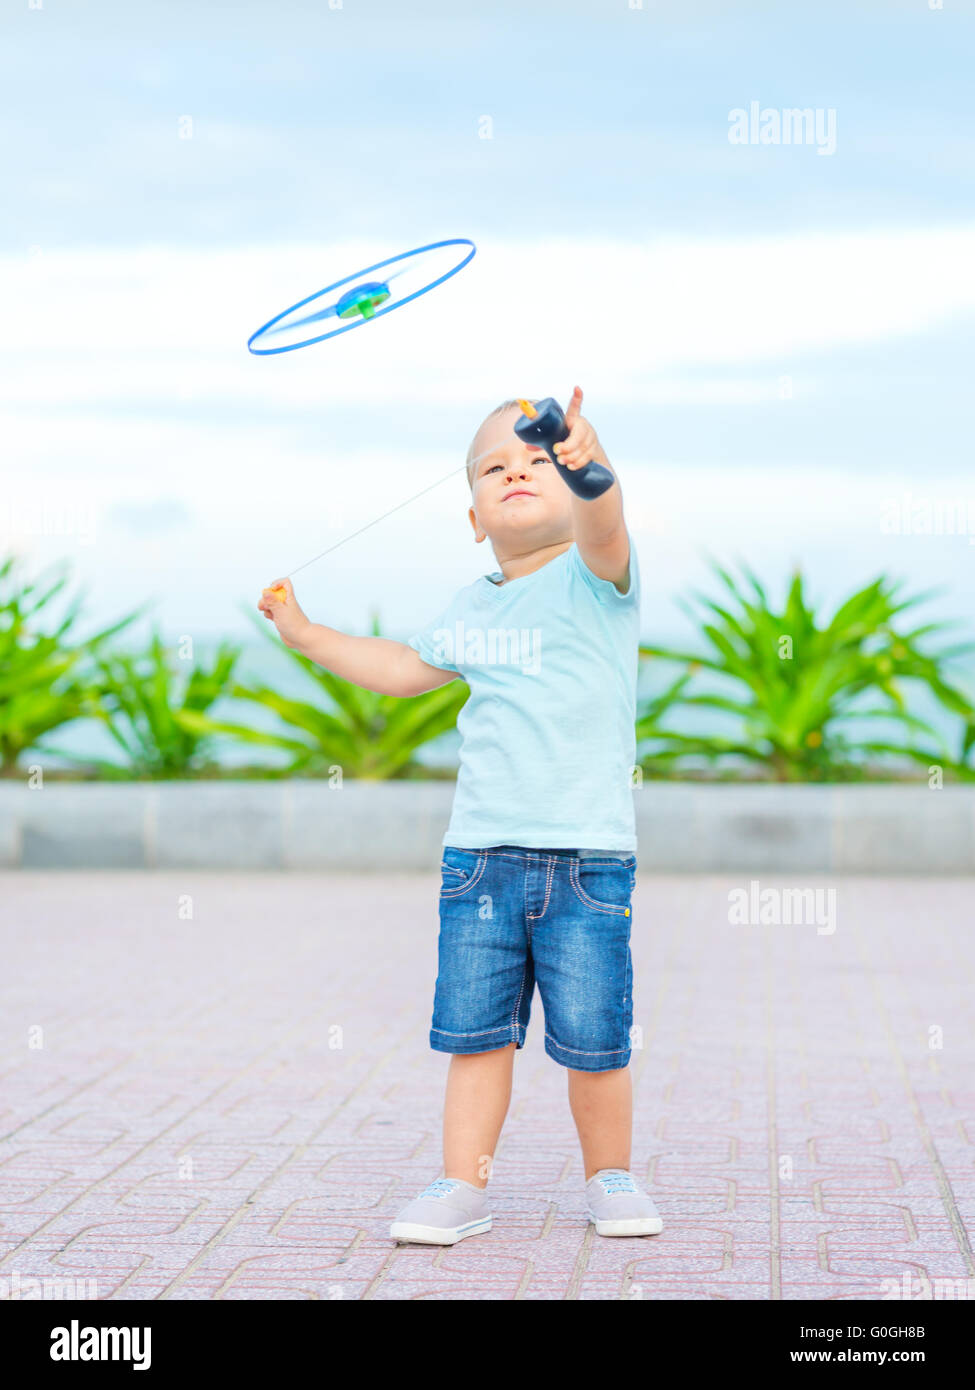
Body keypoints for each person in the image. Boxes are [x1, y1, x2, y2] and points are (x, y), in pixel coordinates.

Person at [258, 387, 662, 1245]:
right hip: (480, 860)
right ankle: (460, 1185)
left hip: (587, 861)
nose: (518, 468)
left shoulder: (599, 577)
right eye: (494, 466)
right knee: (474, 1038)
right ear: (475, 517)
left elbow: (604, 517)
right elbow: (403, 667)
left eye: (538, 459)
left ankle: (610, 1178)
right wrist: (305, 634)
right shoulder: (472, 605)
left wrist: (589, 464)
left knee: (596, 1042)